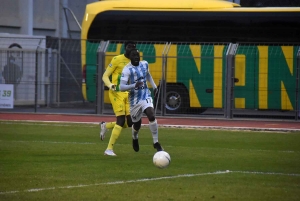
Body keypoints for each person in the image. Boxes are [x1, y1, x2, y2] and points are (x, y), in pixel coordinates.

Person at [119, 48, 163, 152]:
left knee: (151, 115)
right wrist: (134, 85)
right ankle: (134, 137)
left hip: (145, 95)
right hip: (134, 100)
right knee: (137, 125)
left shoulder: (144, 64)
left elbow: (147, 74)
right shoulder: (127, 69)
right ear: (130, 58)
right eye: (134, 57)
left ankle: (156, 142)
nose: (136, 59)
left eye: (138, 57)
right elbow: (121, 87)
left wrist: (154, 87)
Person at [101, 41, 137, 156]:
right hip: (116, 92)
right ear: (125, 48)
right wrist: (110, 85)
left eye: (133, 48)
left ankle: (106, 125)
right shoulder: (117, 59)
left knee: (130, 122)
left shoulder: (136, 62)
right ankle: (109, 149)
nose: (131, 49)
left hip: (128, 94)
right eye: (129, 47)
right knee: (120, 120)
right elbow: (105, 76)